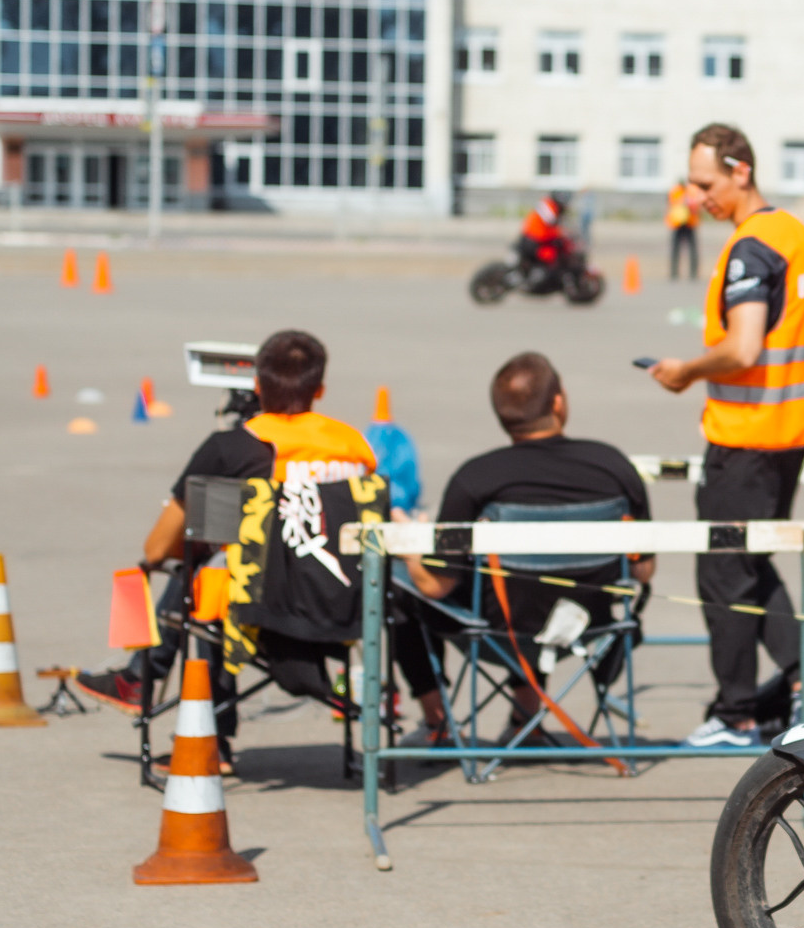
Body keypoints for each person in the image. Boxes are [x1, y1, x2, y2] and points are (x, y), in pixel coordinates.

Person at [73, 331, 444, 751]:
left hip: (261, 606)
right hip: (348, 603)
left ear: (256, 386)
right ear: (319, 390)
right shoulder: (355, 447)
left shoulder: (231, 448)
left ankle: (196, 727)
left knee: (206, 572)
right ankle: (436, 719)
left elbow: (157, 548)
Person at [647, 123, 804, 747]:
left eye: (705, 184)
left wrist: (684, 370)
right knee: (751, 562)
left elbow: (743, 346)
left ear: (741, 171)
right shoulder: (794, 235)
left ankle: (735, 716)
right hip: (790, 432)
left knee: (724, 575)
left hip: (747, 435)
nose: (696, 197)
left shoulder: (751, 249)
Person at [402, 353, 654, 736]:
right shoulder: (613, 466)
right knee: (538, 585)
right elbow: (643, 570)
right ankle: (526, 720)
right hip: (591, 624)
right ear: (558, 402)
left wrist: (408, 548)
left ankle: (439, 723)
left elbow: (436, 585)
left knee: (397, 586)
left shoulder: (476, 477)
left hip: (500, 631)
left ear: (502, 415)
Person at [517, 190, 583, 282]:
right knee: (550, 259)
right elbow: (552, 223)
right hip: (533, 240)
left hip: (540, 239)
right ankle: (537, 279)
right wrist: (562, 233)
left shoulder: (553, 207)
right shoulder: (548, 206)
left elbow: (563, 223)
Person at [665, 179, 700, 281]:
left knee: (691, 248)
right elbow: (670, 205)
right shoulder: (677, 191)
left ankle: (692, 272)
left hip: (689, 222)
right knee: (676, 249)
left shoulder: (689, 192)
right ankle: (674, 272)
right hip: (678, 222)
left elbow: (696, 206)